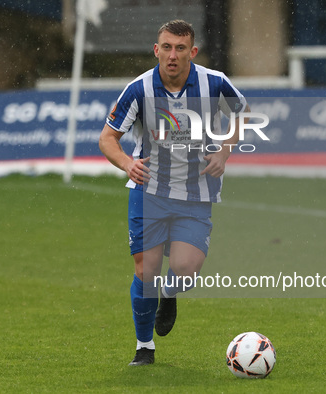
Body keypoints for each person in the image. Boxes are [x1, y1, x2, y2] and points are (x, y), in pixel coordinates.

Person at [99, 19, 249, 366]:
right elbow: (107, 139)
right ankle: (144, 346)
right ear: (156, 50)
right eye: (166, 47)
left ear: (192, 52)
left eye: (180, 48)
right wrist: (126, 163)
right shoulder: (139, 89)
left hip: (196, 192)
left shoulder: (214, 83)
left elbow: (243, 114)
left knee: (185, 268)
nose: (172, 55)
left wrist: (225, 151)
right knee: (145, 270)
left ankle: (170, 293)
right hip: (148, 189)